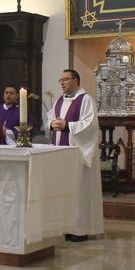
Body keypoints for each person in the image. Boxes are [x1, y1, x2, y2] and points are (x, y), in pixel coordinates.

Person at [47, 69, 103, 242]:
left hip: (78, 154)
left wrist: (67, 126)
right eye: (61, 80)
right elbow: (50, 117)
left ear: (76, 81)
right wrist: (52, 123)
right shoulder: (59, 100)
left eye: (66, 79)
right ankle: (65, 227)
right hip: (60, 152)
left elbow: (90, 126)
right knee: (63, 190)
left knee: (79, 191)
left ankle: (80, 229)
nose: (62, 83)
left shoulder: (85, 100)